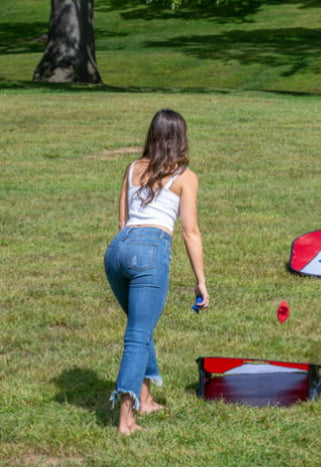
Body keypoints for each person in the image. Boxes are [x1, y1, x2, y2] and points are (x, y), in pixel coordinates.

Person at [104, 109, 209, 435]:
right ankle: (126, 419)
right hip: (150, 252)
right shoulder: (185, 176)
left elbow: (122, 221)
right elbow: (190, 231)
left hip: (117, 251)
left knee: (140, 325)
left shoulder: (133, 167)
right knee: (137, 335)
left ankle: (146, 399)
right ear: (181, 138)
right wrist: (201, 281)